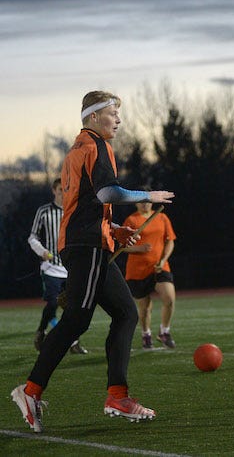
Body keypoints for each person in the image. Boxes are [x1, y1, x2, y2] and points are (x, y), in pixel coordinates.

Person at [11, 91, 175, 433]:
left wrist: (113, 229)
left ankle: (118, 394)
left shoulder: (79, 148)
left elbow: (84, 204)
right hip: (85, 246)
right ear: (94, 116)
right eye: (114, 113)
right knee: (76, 321)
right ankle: (30, 391)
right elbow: (107, 194)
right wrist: (148, 195)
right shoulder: (96, 146)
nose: (119, 120)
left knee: (126, 313)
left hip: (89, 242)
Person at [28, 179, 88, 355]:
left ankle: (74, 342)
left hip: (71, 267)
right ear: (54, 191)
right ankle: (41, 331)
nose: (64, 192)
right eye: (60, 189)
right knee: (53, 302)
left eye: (66, 189)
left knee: (73, 307)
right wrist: (42, 251)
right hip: (51, 267)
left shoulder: (74, 211)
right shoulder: (44, 211)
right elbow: (32, 237)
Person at [122, 200, 178, 350]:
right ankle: (146, 335)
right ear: (136, 204)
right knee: (145, 307)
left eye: (147, 201)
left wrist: (163, 260)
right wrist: (139, 248)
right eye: (141, 202)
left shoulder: (161, 217)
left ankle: (164, 332)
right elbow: (122, 247)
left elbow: (170, 241)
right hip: (138, 270)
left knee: (169, 298)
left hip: (160, 267)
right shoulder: (131, 220)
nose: (145, 204)